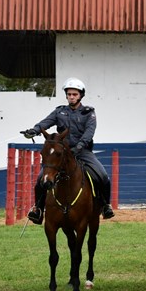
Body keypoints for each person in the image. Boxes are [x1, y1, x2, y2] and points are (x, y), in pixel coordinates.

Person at [21, 77, 115, 224]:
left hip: (82, 152)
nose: (71, 97)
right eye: (69, 94)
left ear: (80, 95)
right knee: (41, 179)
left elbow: (89, 133)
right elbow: (46, 122)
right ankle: (38, 210)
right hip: (61, 153)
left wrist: (78, 147)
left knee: (103, 176)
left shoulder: (89, 112)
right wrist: (34, 130)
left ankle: (105, 206)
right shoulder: (59, 112)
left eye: (74, 94)